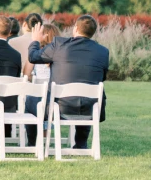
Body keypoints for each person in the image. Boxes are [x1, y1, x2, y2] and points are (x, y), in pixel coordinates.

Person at [28, 15, 108, 149]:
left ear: (75, 28)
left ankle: (33, 144)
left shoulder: (59, 45)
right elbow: (102, 77)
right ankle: (81, 143)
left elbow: (33, 57)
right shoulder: (103, 51)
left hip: (58, 108)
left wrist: (35, 41)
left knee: (29, 100)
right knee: (85, 98)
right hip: (91, 108)